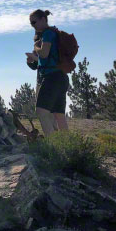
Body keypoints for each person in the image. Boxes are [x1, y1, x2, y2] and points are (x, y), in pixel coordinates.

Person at [25, 9, 68, 137]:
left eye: (34, 22)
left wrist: (37, 47)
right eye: (31, 23)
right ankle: (68, 146)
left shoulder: (48, 34)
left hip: (52, 78)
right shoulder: (51, 33)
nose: (33, 25)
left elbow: (44, 53)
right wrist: (32, 60)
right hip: (61, 77)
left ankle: (53, 145)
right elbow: (45, 60)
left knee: (41, 111)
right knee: (59, 115)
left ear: (43, 19)